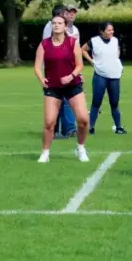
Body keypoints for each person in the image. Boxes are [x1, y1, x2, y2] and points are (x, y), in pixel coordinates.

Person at [34, 13, 90, 163]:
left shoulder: (72, 43)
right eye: (54, 23)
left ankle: (80, 147)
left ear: (65, 26)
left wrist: (71, 76)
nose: (56, 25)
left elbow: (80, 65)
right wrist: (41, 79)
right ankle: (45, 152)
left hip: (73, 85)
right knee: (49, 122)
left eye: (59, 23)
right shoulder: (44, 44)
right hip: (53, 87)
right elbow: (37, 66)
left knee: (84, 119)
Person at [81, 22, 126, 135]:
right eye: (109, 30)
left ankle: (119, 127)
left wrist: (118, 64)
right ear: (102, 31)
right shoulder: (94, 41)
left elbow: (116, 52)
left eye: (112, 29)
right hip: (100, 75)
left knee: (114, 102)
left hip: (114, 76)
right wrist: (92, 61)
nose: (112, 32)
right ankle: (90, 127)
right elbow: (83, 49)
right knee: (96, 102)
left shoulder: (115, 40)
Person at [43, 4, 79, 139]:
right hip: (53, 70)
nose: (68, 14)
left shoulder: (71, 29)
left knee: (65, 100)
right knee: (57, 100)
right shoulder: (51, 27)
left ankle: (67, 128)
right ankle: (58, 129)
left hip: (67, 70)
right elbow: (49, 48)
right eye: (65, 12)